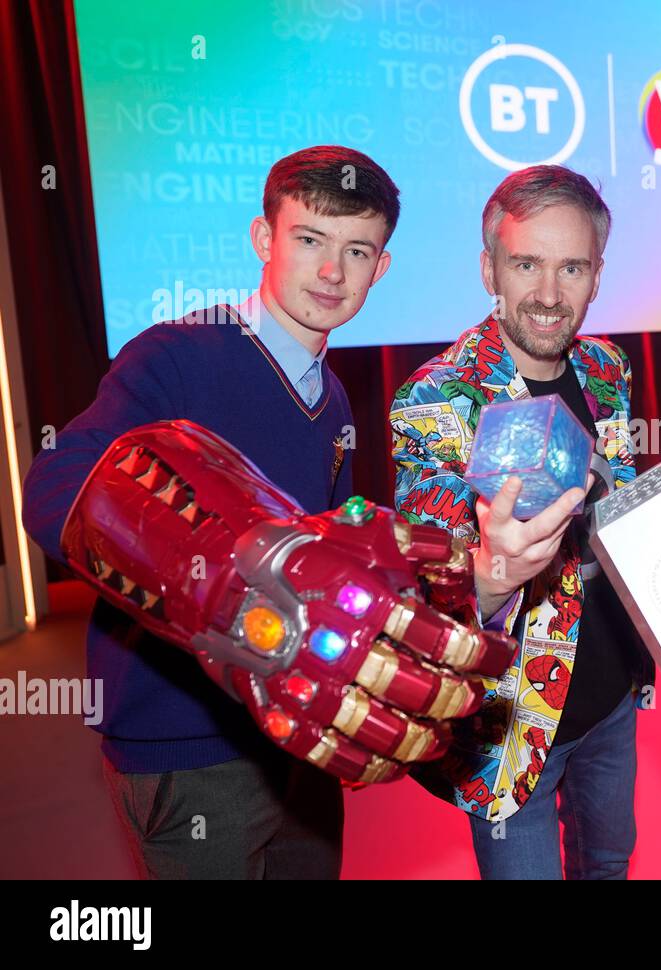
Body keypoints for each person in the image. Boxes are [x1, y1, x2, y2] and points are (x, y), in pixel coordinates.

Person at [23, 145, 404, 879]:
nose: (332, 272)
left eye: (357, 250)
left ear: (379, 268)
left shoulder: (334, 398)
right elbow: (53, 490)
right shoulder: (177, 356)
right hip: (189, 742)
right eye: (309, 240)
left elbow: (324, 570)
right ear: (264, 239)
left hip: (294, 735)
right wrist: (206, 575)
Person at [390, 164, 652, 880]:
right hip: (506, 728)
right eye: (526, 264)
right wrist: (491, 575)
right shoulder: (436, 398)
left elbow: (617, 499)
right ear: (489, 270)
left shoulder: (607, 368)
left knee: (610, 865)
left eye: (572, 267)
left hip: (612, 702)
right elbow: (430, 588)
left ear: (597, 277)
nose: (547, 293)